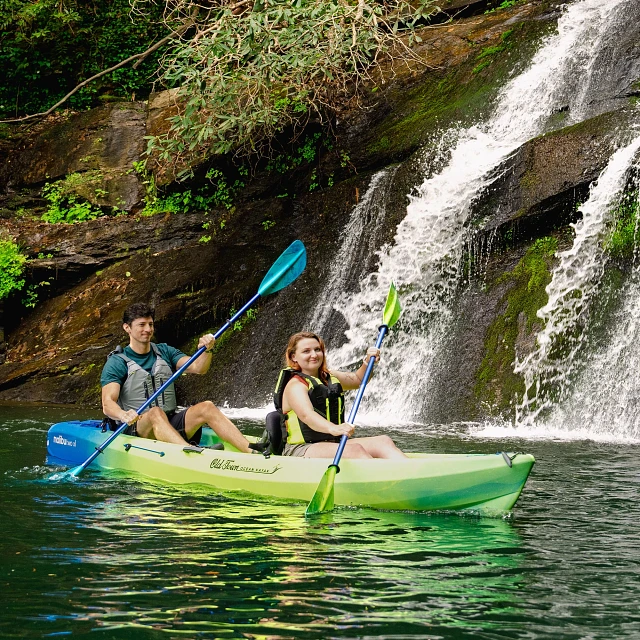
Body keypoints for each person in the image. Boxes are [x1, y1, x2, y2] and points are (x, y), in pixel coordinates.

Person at [101, 302, 257, 453]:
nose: (148, 329)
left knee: (207, 407)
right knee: (155, 413)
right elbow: (108, 403)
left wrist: (206, 350)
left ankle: (253, 450)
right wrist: (123, 414)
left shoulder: (164, 351)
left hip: (169, 422)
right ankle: (188, 452)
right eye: (142, 325)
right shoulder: (117, 362)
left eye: (150, 324)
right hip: (136, 427)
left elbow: (198, 368)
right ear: (127, 327)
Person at [275, 331, 407, 459]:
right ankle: (385, 479)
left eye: (317, 349)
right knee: (355, 451)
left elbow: (358, 380)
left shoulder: (329, 377)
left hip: (332, 443)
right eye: (306, 351)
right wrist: (334, 428)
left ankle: (409, 473)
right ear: (293, 357)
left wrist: (368, 361)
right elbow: (307, 415)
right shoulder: (295, 385)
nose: (314, 355)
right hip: (302, 448)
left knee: (383, 441)